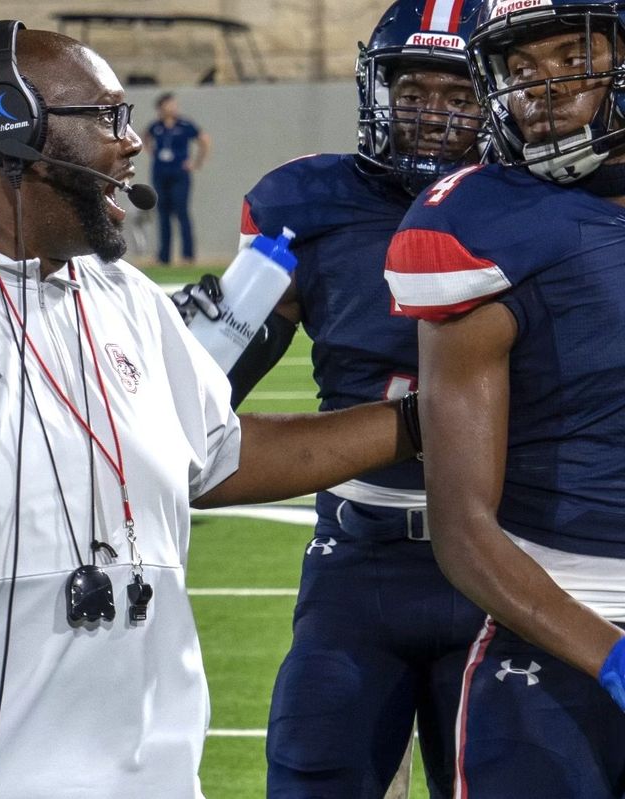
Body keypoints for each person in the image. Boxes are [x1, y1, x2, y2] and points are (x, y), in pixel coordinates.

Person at [0, 21, 416, 799]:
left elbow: (220, 452)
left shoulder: (125, 299)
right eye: (110, 118)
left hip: (147, 779)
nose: (131, 146)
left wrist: (418, 425)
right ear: (12, 130)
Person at [178, 2, 489, 796]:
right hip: (361, 552)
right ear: (375, 90)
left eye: (459, 95)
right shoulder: (311, 205)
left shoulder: (543, 209)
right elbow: (208, 393)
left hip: (503, 550)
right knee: (315, 769)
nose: (432, 115)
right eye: (412, 90)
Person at [384, 0, 625, 795]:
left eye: (570, 57)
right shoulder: (483, 222)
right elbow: (462, 529)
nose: (542, 89)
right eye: (520, 70)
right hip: (560, 616)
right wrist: (613, 657)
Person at [144, 91, 210, 264]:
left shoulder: (185, 124)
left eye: (174, 104)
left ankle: (188, 255)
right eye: (169, 104)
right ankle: (163, 256)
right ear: (160, 108)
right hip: (160, 173)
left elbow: (204, 140)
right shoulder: (156, 126)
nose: (173, 107)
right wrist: (151, 152)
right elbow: (145, 137)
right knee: (163, 214)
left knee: (182, 212)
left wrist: (196, 163)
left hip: (180, 174)